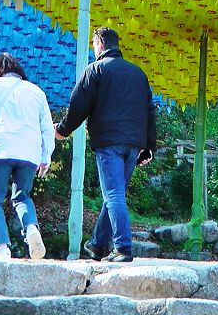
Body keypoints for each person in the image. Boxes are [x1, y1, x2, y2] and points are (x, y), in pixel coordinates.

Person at [55, 26, 156, 263]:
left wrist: (62, 130)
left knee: (113, 194)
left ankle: (123, 248)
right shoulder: (138, 73)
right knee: (115, 193)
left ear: (99, 44)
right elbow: (150, 110)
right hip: (133, 143)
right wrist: (148, 146)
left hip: (109, 141)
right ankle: (98, 245)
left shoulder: (96, 70)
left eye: (93, 44)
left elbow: (78, 105)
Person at [0, 52, 54, 260]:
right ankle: (31, 227)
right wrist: (45, 157)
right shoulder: (36, 92)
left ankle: (1, 248)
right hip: (28, 153)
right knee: (22, 196)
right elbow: (47, 128)